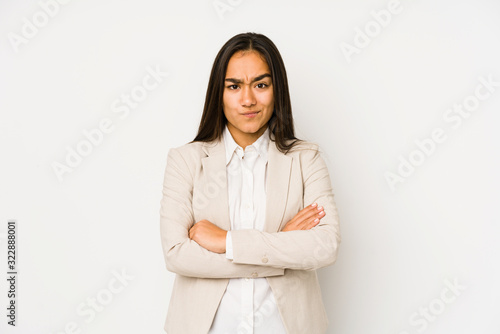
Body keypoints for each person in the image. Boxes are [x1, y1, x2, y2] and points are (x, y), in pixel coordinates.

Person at [159, 32, 341, 334]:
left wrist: (225, 241)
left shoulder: (306, 158)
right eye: (234, 86)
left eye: (261, 85)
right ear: (219, 92)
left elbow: (325, 246)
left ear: (276, 89)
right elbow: (177, 254)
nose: (248, 100)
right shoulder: (185, 161)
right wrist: (281, 244)